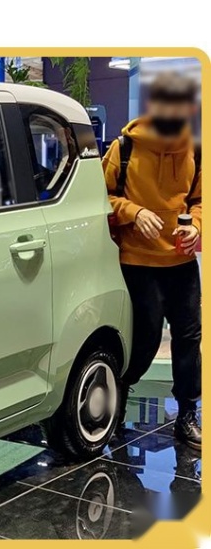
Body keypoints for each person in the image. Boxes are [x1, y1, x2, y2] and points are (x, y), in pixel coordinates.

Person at [102, 71, 201, 449]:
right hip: (138, 262)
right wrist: (133, 212)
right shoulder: (125, 148)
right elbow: (101, 197)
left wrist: (197, 227)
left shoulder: (195, 149)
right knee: (144, 340)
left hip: (181, 262)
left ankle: (187, 412)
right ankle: (119, 395)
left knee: (189, 338)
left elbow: (199, 200)